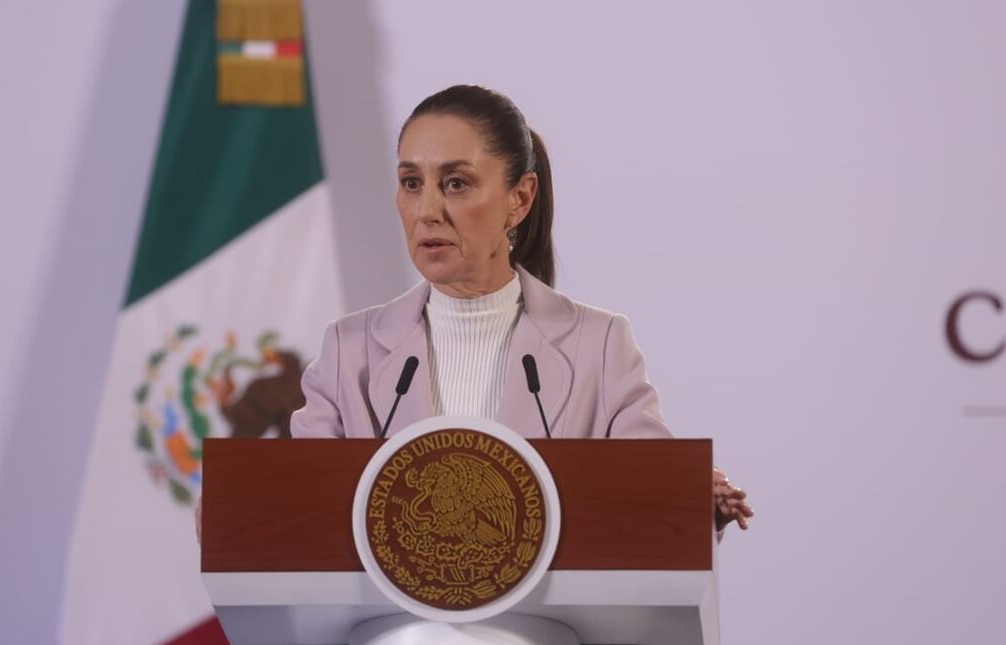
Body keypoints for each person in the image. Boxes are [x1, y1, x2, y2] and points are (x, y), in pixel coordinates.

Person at [289, 84, 752, 533]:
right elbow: (291, 502)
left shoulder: (599, 345)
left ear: (520, 198)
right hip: (395, 616)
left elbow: (648, 489)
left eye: (455, 183)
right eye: (411, 182)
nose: (426, 210)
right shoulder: (349, 352)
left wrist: (691, 494)